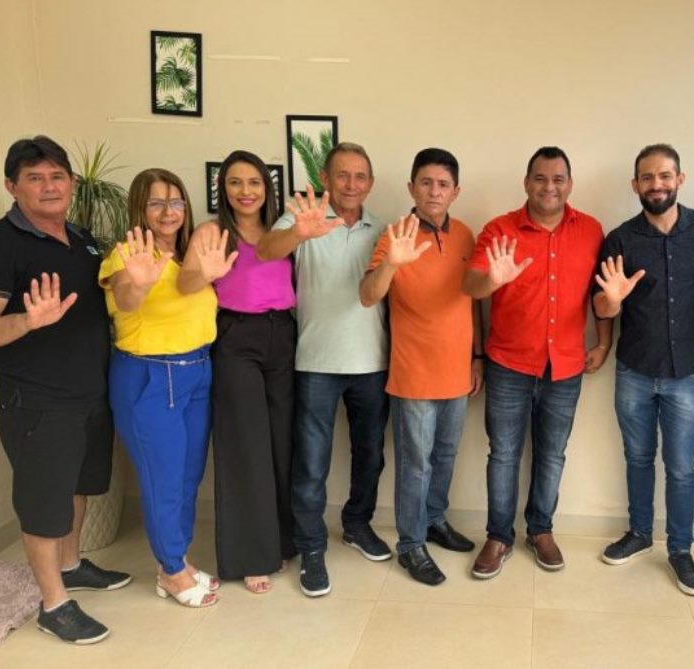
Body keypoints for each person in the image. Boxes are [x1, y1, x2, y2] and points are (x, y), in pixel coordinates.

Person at [0, 136, 130, 644]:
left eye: (56, 176)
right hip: (37, 401)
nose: (49, 186)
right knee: (44, 502)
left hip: (89, 393)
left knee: (77, 487)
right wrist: (25, 322)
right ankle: (54, 603)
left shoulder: (82, 238)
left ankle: (71, 566)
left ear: (71, 183)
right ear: (12, 187)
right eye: (35, 178)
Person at [464, 146, 610, 579]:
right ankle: (498, 536)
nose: (549, 187)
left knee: (552, 454)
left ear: (570, 184)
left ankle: (540, 530)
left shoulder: (591, 230)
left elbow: (603, 294)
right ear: (526, 182)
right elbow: (470, 286)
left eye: (558, 179)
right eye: (540, 178)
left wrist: (603, 342)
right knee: (503, 454)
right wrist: (492, 280)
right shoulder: (499, 230)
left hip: (565, 366)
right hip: (508, 364)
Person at [592, 144, 694, 596]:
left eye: (665, 175)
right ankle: (639, 533)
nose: (656, 185)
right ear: (635, 185)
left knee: (682, 468)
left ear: (680, 179)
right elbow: (600, 305)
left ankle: (681, 550)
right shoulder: (620, 239)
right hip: (634, 368)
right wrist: (611, 303)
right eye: (647, 177)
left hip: (687, 370)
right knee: (637, 457)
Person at [257, 142, 390, 597]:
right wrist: (299, 234)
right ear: (326, 180)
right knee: (311, 463)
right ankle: (311, 546)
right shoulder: (303, 217)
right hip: (315, 362)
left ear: (370, 184)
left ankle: (357, 525)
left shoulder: (383, 229)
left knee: (370, 455)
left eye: (360, 176)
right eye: (343, 175)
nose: (352, 184)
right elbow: (265, 251)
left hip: (372, 362)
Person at [359, 148, 483, 585]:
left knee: (445, 455)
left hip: (457, 371)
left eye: (443, 184)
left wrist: (478, 357)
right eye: (426, 183)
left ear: (455, 192)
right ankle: (410, 545)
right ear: (411, 187)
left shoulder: (465, 235)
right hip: (413, 373)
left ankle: (434, 520)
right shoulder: (395, 235)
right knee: (416, 464)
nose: (434, 191)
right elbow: (368, 296)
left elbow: (473, 299)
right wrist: (392, 263)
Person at [178, 150, 297, 594]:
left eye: (254, 182)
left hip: (283, 335)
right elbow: (185, 283)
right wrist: (203, 272)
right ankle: (251, 555)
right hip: (236, 338)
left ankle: (281, 540)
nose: (245, 191)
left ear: (267, 188)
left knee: (281, 442)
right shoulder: (212, 232)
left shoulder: (281, 231)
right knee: (245, 445)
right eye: (235, 182)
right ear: (222, 189)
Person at [102, 168, 220, 608]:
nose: (168, 212)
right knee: (163, 479)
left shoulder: (191, 256)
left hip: (197, 371)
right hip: (151, 376)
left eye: (175, 201)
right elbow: (126, 300)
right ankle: (171, 570)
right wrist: (140, 283)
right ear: (139, 207)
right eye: (156, 203)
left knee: (187, 476)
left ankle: (176, 561)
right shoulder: (127, 256)